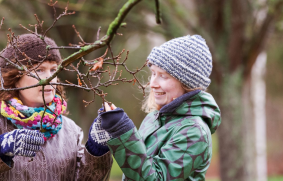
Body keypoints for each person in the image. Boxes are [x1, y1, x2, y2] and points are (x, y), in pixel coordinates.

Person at [0, 34, 112, 181]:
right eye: (39, 70)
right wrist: (0, 148)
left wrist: (96, 150)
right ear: (15, 77)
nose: (49, 77)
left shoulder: (70, 130)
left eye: (54, 69)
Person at [89, 35, 221, 180]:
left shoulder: (194, 131)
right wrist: (111, 134)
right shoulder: (153, 118)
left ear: (187, 83)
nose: (152, 83)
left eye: (163, 76)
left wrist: (122, 132)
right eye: (153, 73)